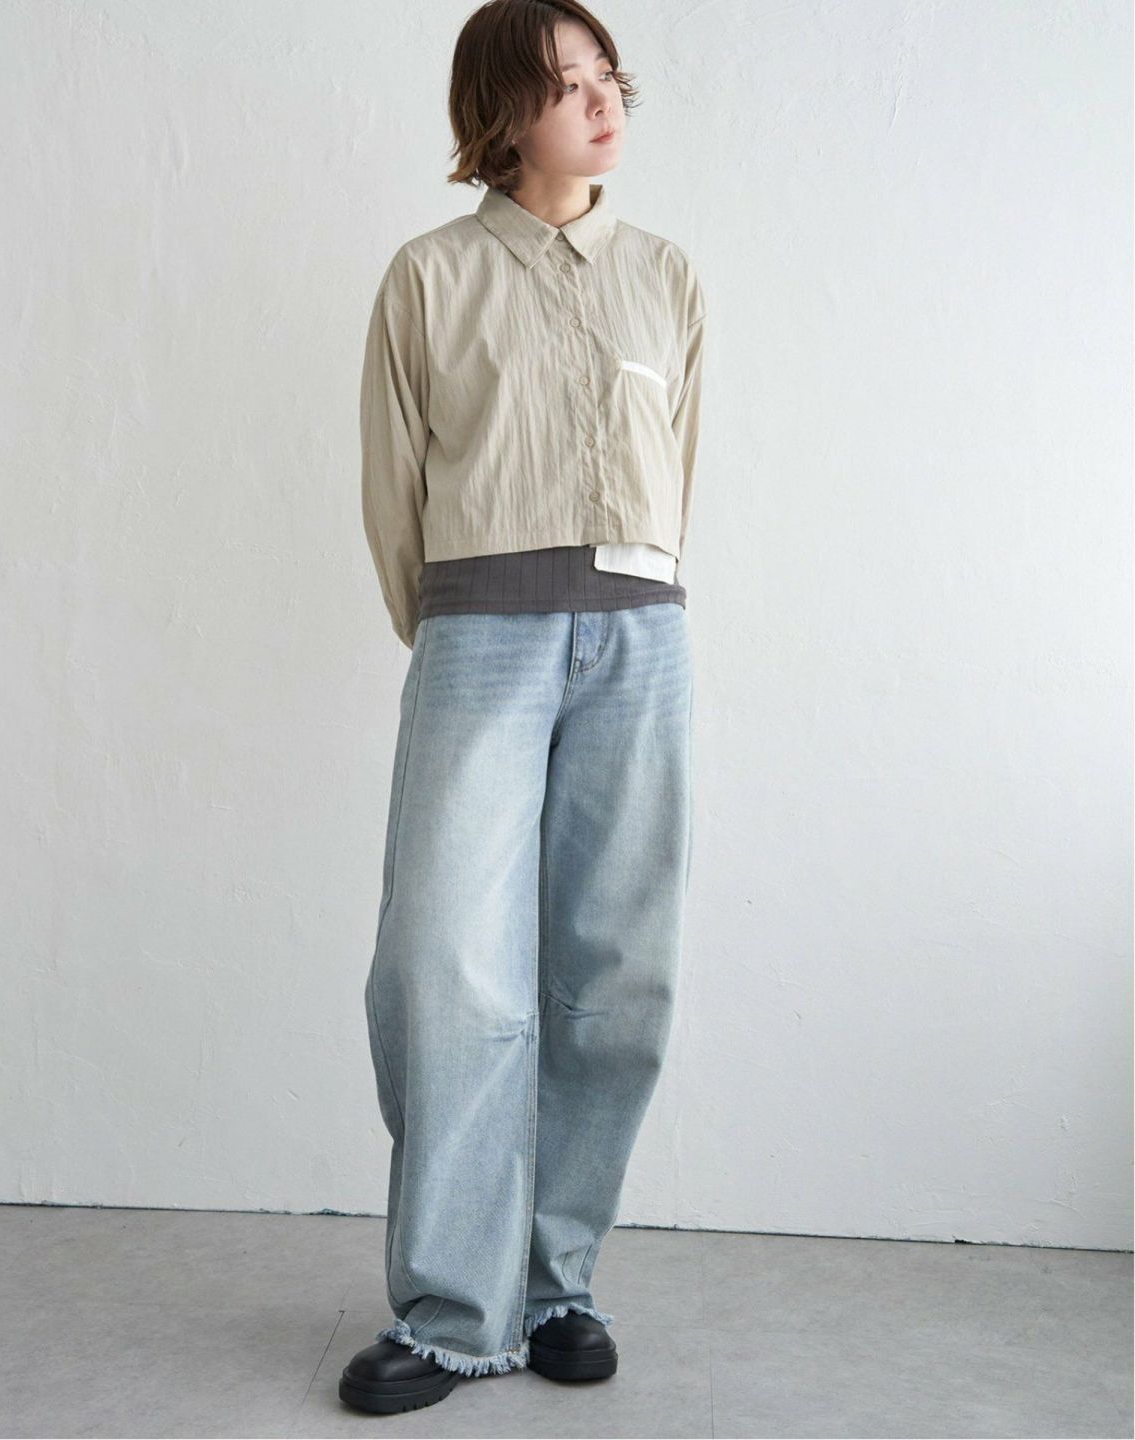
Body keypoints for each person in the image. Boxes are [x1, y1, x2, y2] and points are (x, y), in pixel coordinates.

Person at [340, 0, 705, 1415]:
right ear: (499, 112)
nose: (603, 102)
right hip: (479, 637)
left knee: (616, 965)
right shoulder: (428, 279)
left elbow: (682, 471)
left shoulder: (666, 276)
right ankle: (452, 1308)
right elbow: (393, 496)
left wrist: (637, 602)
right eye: (566, 83)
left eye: (610, 75)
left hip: (641, 641)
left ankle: (561, 1284)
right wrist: (454, 632)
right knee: (444, 967)